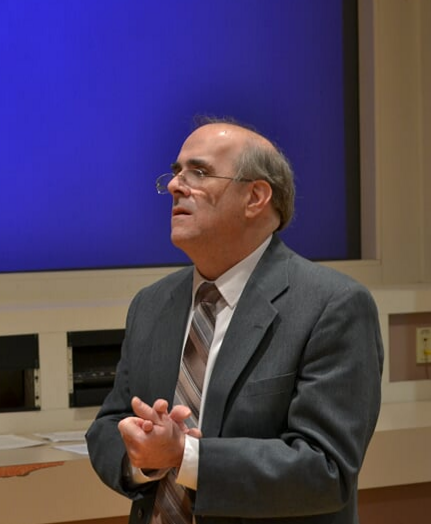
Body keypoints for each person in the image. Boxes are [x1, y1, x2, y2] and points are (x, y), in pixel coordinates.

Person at [85, 118, 383, 524]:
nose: (175, 186)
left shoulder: (333, 306)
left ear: (256, 197)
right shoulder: (151, 305)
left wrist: (185, 456)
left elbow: (325, 470)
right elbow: (108, 426)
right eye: (175, 174)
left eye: (199, 172)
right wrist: (143, 459)